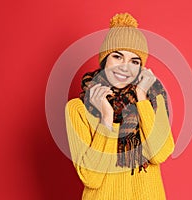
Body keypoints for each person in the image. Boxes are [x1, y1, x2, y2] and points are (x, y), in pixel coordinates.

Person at [65, 13, 175, 200]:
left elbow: (159, 154)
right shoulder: (78, 109)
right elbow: (91, 178)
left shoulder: (153, 99)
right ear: (105, 60)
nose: (125, 67)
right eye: (117, 57)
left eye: (134, 61)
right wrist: (106, 118)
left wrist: (141, 98)